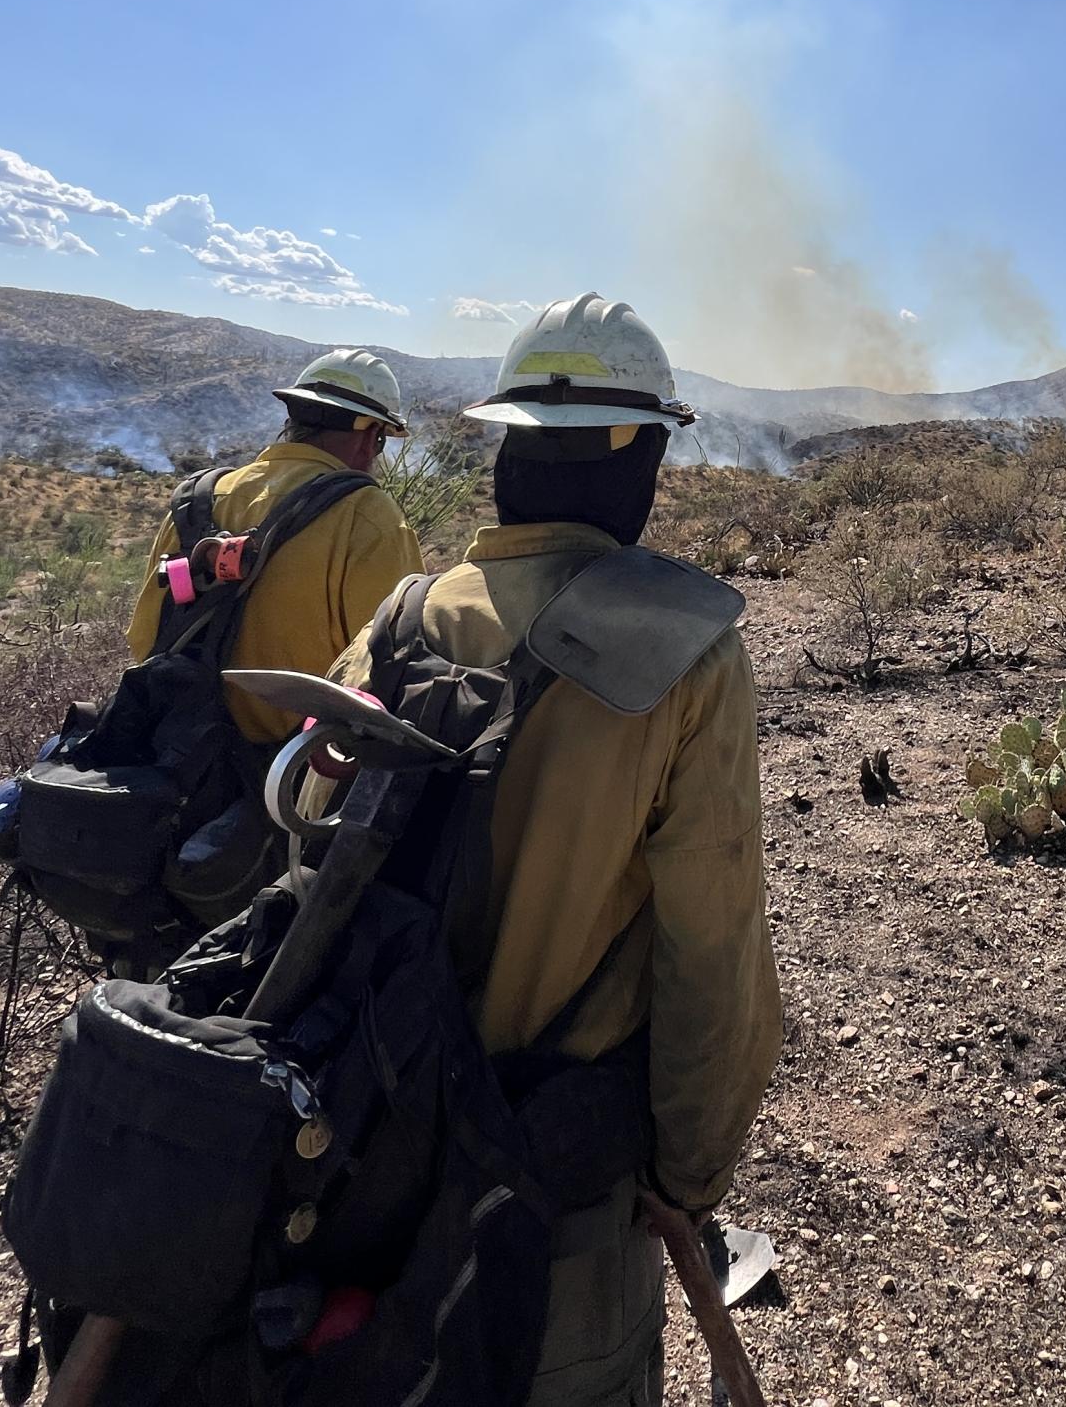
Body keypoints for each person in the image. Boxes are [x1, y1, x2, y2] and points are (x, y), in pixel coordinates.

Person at [330, 292, 783, 1406]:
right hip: (557, 1183)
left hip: (365, 1147)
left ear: (506, 448)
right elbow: (711, 955)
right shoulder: (689, 658)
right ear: (637, 456)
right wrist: (688, 1172)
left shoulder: (400, 620)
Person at [123, 348, 423, 747]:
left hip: (171, 749)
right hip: (287, 773)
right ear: (371, 438)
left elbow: (143, 638)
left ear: (293, 419)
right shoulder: (369, 516)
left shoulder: (199, 499)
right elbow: (392, 668)